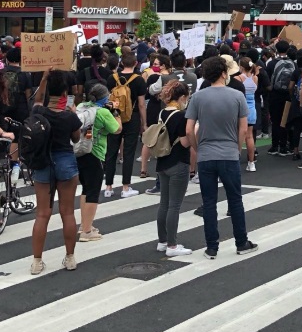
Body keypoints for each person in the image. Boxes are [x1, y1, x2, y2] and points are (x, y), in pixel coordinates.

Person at [185, 56, 255, 259]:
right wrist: (237, 148)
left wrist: (198, 148)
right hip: (229, 153)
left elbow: (189, 129)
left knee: (209, 202)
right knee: (235, 200)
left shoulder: (198, 97)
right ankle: (241, 242)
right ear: (224, 73)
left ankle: (211, 247)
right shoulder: (236, 96)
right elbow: (243, 129)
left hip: (206, 154)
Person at [29, 70, 82, 275]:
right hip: (66, 161)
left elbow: (38, 98)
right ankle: (70, 257)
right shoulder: (69, 116)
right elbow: (77, 139)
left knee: (42, 214)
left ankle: (36, 261)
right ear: (65, 92)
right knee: (67, 212)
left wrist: (43, 79)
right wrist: (73, 112)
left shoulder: (38, 113)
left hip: (43, 162)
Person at [75, 84, 122, 241]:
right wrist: (116, 111)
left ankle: (84, 224)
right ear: (104, 97)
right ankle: (87, 232)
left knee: (85, 190)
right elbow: (117, 129)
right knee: (93, 192)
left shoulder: (82, 106)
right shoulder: (102, 112)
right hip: (95, 153)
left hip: (79, 151)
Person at [155, 80, 193, 256]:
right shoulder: (181, 115)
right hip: (178, 161)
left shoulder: (162, 112)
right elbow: (185, 142)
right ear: (182, 97)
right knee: (174, 206)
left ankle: (162, 241)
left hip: (163, 160)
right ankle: (172, 245)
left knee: (164, 203)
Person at [104, 52, 147, 199]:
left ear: (121, 63)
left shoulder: (111, 78)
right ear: (135, 63)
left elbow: (107, 99)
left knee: (111, 152)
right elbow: (141, 104)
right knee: (128, 152)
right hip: (132, 117)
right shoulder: (139, 80)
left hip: (114, 117)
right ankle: (125, 187)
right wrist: (144, 123)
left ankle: (108, 187)